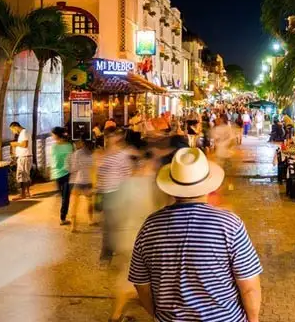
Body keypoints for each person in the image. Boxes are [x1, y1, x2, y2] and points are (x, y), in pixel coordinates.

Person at [129, 148, 262, 321]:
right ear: (208, 186)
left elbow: (141, 284)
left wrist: (157, 315)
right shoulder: (229, 225)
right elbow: (249, 287)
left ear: (172, 188)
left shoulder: (150, 226)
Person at [109, 149, 172, 322]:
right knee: (131, 280)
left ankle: (130, 310)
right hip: (143, 239)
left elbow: (114, 212)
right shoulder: (153, 185)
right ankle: (116, 316)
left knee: (135, 278)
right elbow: (161, 211)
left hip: (125, 236)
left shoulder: (125, 185)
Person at [95, 129, 134, 262]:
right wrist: (97, 190)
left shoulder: (122, 155)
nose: (110, 139)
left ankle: (108, 253)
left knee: (112, 224)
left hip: (117, 192)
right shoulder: (103, 154)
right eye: (108, 136)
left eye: (113, 136)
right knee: (108, 225)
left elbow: (127, 174)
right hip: (105, 192)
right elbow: (99, 175)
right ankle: (107, 254)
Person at [69, 135, 95, 231]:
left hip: (79, 181)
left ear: (82, 143)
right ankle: (90, 220)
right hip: (88, 181)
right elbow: (92, 167)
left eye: (78, 142)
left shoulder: (76, 154)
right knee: (89, 201)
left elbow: (73, 168)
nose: (76, 144)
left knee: (74, 204)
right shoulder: (91, 154)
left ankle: (73, 226)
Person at [51, 127, 74, 226]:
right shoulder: (69, 146)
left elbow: (53, 162)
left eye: (52, 134)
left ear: (57, 135)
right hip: (66, 173)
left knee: (63, 197)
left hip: (58, 174)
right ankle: (63, 218)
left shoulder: (54, 147)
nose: (52, 136)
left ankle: (63, 216)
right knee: (65, 198)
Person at [9, 122, 32, 199]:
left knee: (22, 176)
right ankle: (27, 192)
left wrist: (15, 144)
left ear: (15, 127)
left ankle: (23, 194)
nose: (13, 132)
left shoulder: (24, 132)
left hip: (24, 157)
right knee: (26, 175)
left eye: (12, 130)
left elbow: (25, 144)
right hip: (24, 157)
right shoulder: (24, 133)